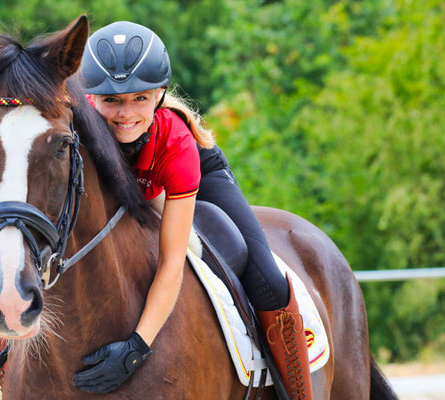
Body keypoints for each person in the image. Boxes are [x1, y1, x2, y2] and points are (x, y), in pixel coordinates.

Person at [73, 21, 314, 400]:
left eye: (140, 98)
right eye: (111, 100)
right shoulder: (74, 132)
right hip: (134, 180)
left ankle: (299, 393)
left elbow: (172, 261)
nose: (125, 114)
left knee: (267, 277)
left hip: (192, 170)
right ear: (90, 99)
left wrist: (137, 347)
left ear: (159, 94)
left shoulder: (177, 141)